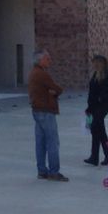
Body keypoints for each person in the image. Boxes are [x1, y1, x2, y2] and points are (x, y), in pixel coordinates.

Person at [28, 49, 68, 182]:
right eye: (47, 58)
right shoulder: (42, 74)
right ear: (40, 60)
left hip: (37, 110)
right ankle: (54, 171)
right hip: (46, 110)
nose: (50, 60)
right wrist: (54, 92)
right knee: (52, 142)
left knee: (40, 142)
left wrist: (51, 91)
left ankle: (42, 170)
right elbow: (57, 88)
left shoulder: (34, 73)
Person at [84, 54, 108, 166]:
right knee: (97, 131)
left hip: (102, 107)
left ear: (100, 63)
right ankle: (98, 156)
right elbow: (91, 93)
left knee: (97, 130)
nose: (93, 64)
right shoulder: (95, 75)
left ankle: (102, 156)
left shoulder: (106, 76)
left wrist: (102, 98)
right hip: (94, 107)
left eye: (95, 62)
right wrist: (89, 108)